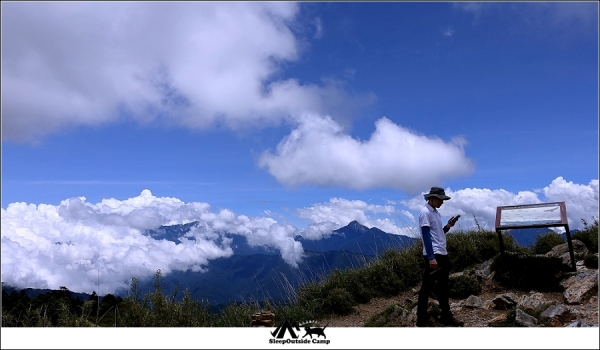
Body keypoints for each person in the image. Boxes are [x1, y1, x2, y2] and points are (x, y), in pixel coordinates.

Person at [416, 186, 464, 327]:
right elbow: (426, 236)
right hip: (434, 254)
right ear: (432, 198)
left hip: (442, 253)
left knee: (443, 287)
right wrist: (431, 257)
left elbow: (437, 234)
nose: (442, 202)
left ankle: (446, 316)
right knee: (427, 287)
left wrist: (448, 226)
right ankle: (421, 319)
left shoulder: (435, 213)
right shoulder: (425, 213)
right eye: (440, 199)